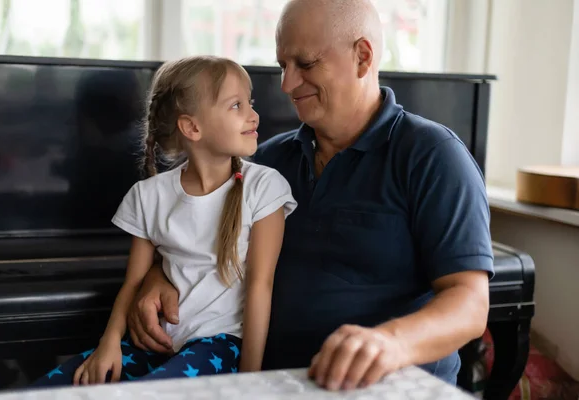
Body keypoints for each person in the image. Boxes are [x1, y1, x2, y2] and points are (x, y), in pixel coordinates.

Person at [127, 0, 494, 392]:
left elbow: (469, 303)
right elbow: (196, 239)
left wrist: (391, 342)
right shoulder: (266, 161)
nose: (286, 84)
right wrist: (156, 276)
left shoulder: (433, 155)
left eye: (305, 64)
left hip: (388, 389)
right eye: (283, 65)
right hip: (271, 384)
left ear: (362, 57)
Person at [33, 55, 297, 386]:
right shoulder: (148, 196)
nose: (254, 115)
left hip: (219, 346)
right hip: (154, 342)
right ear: (192, 127)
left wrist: (249, 381)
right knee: (53, 387)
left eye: (250, 102)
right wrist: (109, 344)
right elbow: (134, 283)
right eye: (236, 106)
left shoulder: (265, 187)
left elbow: (261, 286)